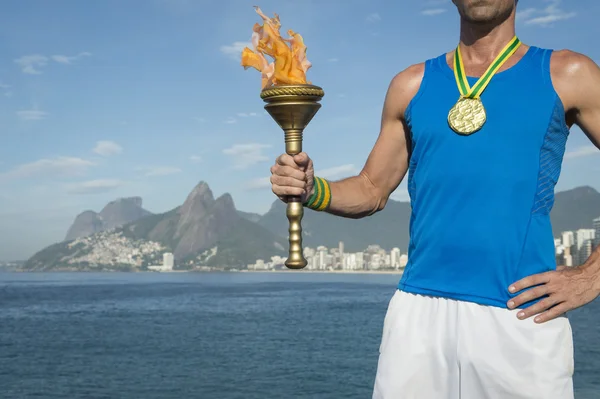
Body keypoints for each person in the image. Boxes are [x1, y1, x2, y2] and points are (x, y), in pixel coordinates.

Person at [269, 0, 600, 398]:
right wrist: (311, 189)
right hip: (417, 315)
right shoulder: (410, 85)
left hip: (519, 314)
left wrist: (592, 275)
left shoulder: (569, 73)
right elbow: (372, 189)